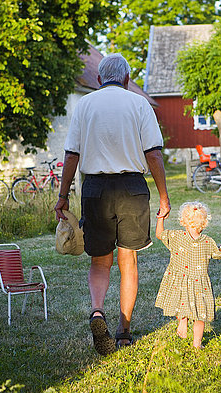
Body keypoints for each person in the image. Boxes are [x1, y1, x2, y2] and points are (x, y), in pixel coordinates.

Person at [54, 53, 171, 356]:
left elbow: (71, 156)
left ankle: (96, 311)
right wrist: (164, 196)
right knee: (127, 261)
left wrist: (63, 196)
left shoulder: (85, 105)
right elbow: (154, 154)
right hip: (132, 187)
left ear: (98, 79)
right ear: (127, 79)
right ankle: (123, 330)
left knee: (99, 261)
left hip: (94, 189)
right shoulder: (139, 103)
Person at [155, 202, 221, 349]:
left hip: (179, 281)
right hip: (199, 284)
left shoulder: (176, 236)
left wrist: (160, 217)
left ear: (183, 220)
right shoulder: (207, 242)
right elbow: (220, 253)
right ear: (204, 223)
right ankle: (197, 344)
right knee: (200, 315)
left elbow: (159, 234)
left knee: (180, 303)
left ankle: (182, 319)